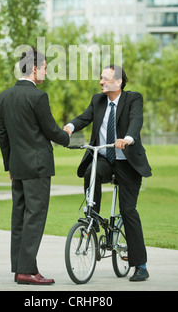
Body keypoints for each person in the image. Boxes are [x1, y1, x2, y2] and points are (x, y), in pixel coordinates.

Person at [64, 65, 152, 282]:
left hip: (127, 162)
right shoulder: (98, 100)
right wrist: (68, 127)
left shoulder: (133, 99)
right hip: (105, 158)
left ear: (119, 81)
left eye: (105, 79)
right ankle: (91, 215)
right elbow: (84, 118)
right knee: (90, 172)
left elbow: (136, 121)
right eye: (101, 78)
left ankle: (140, 265)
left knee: (128, 210)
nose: (101, 82)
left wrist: (128, 139)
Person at [0, 47, 71, 285]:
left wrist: (9, 166)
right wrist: (67, 136)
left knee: (19, 216)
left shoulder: (4, 97)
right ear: (35, 68)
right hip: (38, 168)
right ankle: (27, 270)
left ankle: (19, 268)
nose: (46, 73)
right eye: (45, 68)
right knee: (35, 217)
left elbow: (2, 135)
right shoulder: (38, 97)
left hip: (17, 167)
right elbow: (50, 130)